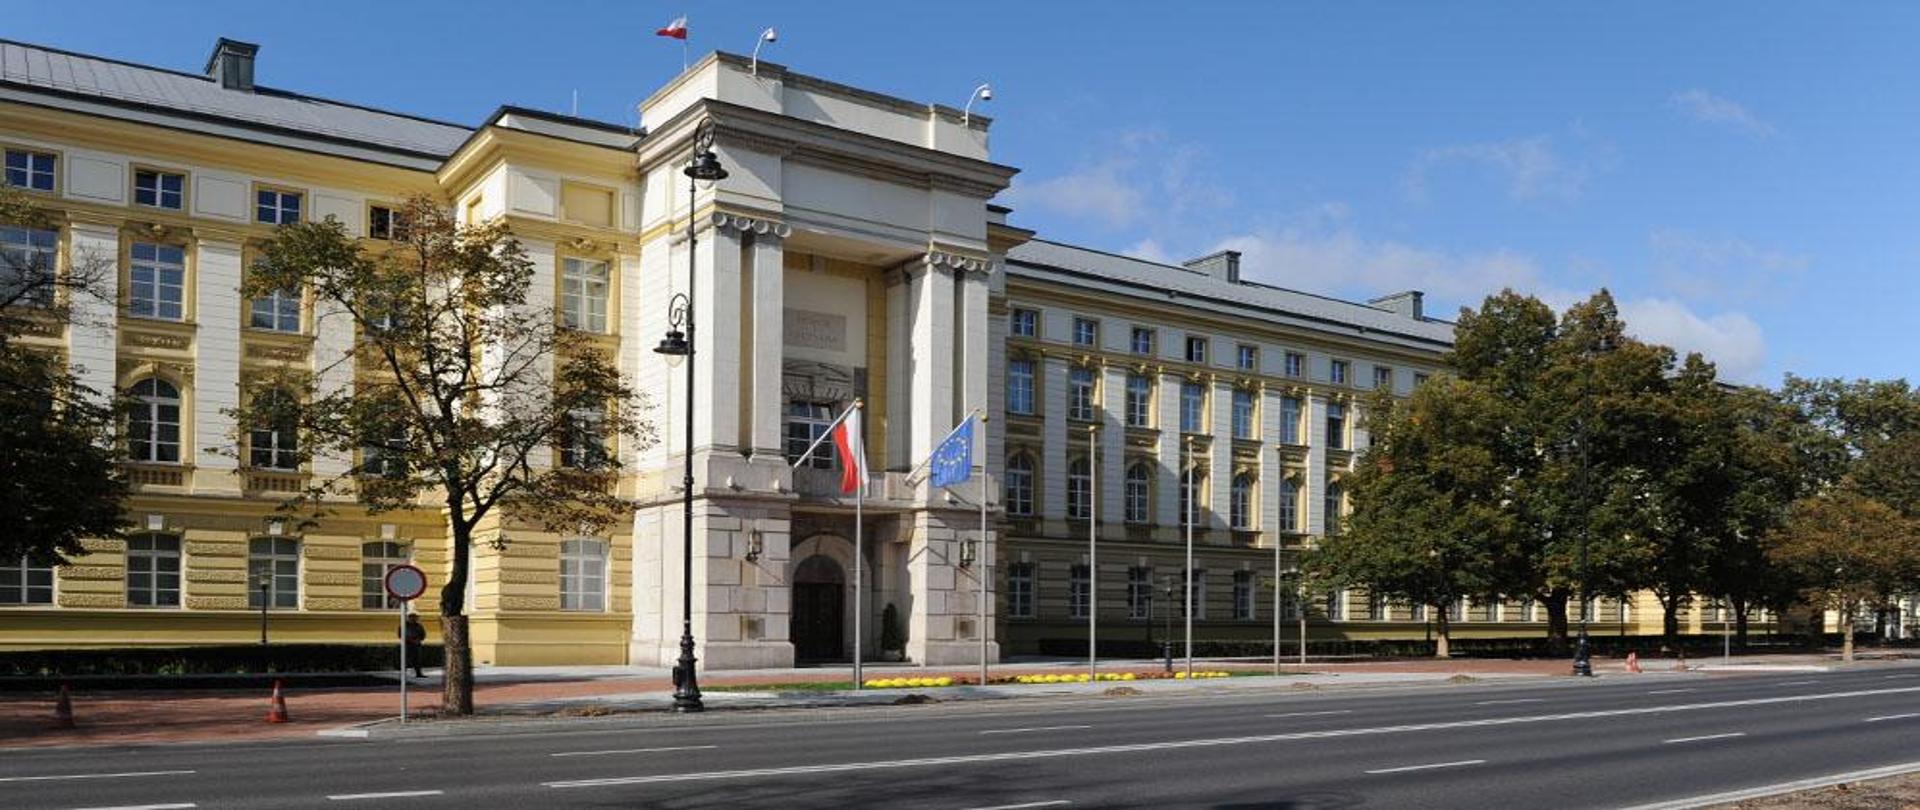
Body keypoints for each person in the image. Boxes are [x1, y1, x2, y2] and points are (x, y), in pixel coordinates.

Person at [402, 613, 427, 679]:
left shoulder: (418, 625)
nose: (414, 619)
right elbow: (402, 634)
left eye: (415, 618)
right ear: (409, 618)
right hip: (407, 644)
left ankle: (418, 673)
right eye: (412, 617)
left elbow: (423, 634)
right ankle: (404, 674)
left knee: (417, 659)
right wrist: (410, 640)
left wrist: (419, 639)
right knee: (406, 659)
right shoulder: (404, 625)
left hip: (417, 644)